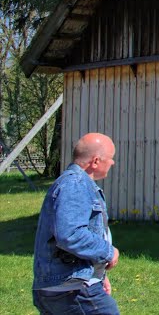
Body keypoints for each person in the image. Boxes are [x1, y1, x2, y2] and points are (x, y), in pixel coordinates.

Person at [33, 133, 121, 315]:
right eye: (111, 159)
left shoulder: (75, 183)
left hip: (73, 285)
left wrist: (97, 274)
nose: (112, 163)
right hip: (71, 289)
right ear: (95, 161)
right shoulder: (76, 184)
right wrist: (108, 251)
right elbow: (70, 234)